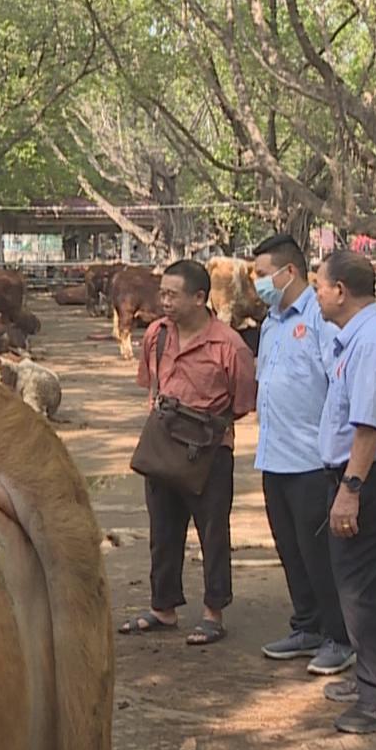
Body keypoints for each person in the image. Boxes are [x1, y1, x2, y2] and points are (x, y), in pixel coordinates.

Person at [118, 259, 257, 647]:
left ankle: (214, 612)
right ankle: (163, 607)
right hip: (162, 446)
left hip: (209, 453)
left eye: (173, 295)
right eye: (162, 293)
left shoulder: (229, 345)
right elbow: (149, 383)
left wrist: (202, 424)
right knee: (162, 530)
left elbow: (243, 402)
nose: (164, 302)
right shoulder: (157, 336)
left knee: (212, 532)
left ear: (200, 298)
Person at [313, 250, 376, 734]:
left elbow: (369, 425)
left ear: (340, 290)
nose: (316, 295)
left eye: (318, 286)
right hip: (364, 476)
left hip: (371, 478)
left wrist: (351, 488)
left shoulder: (371, 342)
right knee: (364, 585)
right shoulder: (353, 339)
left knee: (361, 590)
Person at [249, 234, 354, 677]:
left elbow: (340, 387)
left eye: (259, 273)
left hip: (312, 462)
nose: (255, 282)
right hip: (274, 458)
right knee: (290, 550)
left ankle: (339, 636)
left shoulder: (320, 320)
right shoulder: (271, 322)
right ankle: (307, 625)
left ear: (287, 272)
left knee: (321, 556)